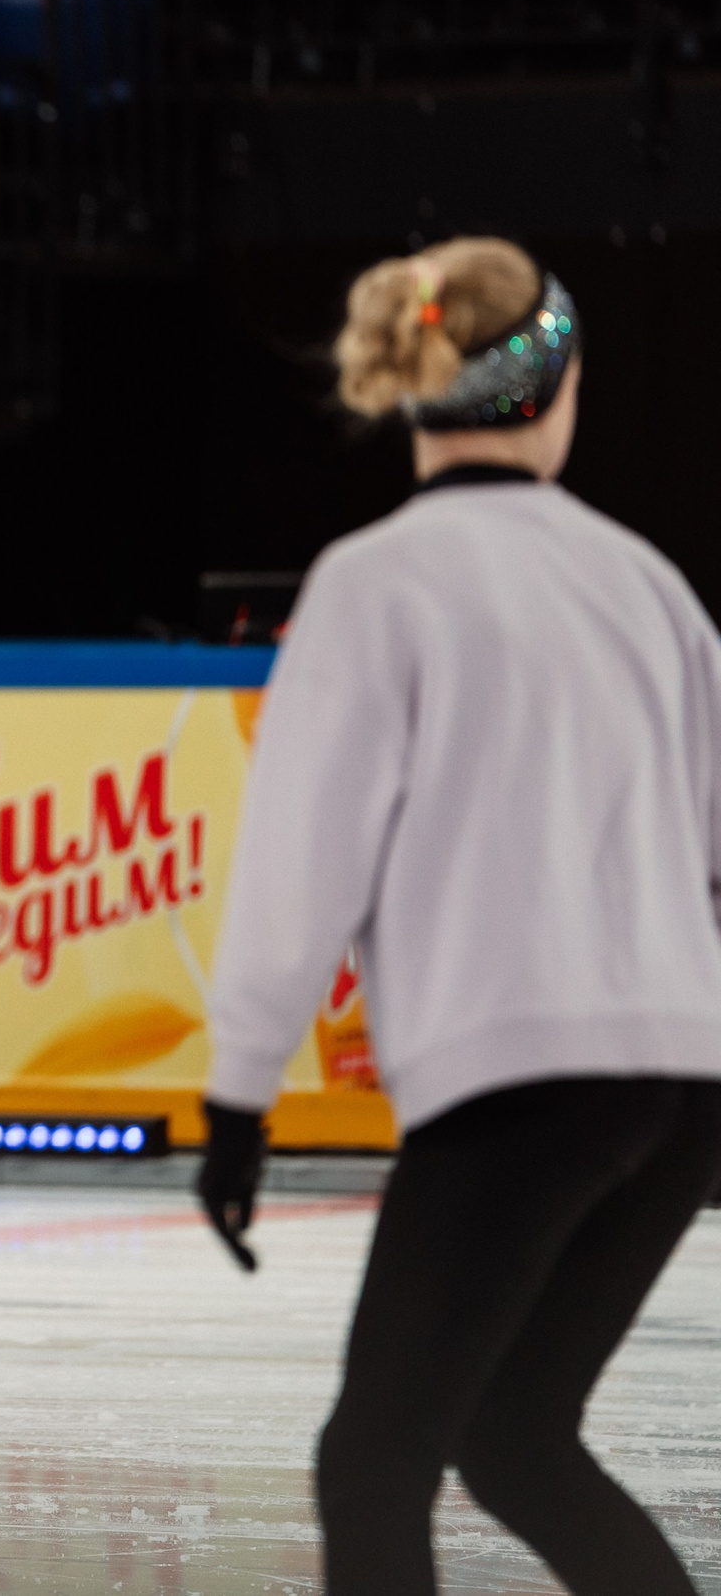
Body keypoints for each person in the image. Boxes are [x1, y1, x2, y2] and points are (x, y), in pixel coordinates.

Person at [197, 236, 721, 1594]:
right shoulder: (651, 585)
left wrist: (239, 1092)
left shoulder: (378, 581)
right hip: (682, 1086)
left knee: (373, 1457)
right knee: (517, 1434)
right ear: (552, 387)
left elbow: (303, 859)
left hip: (525, 1085)